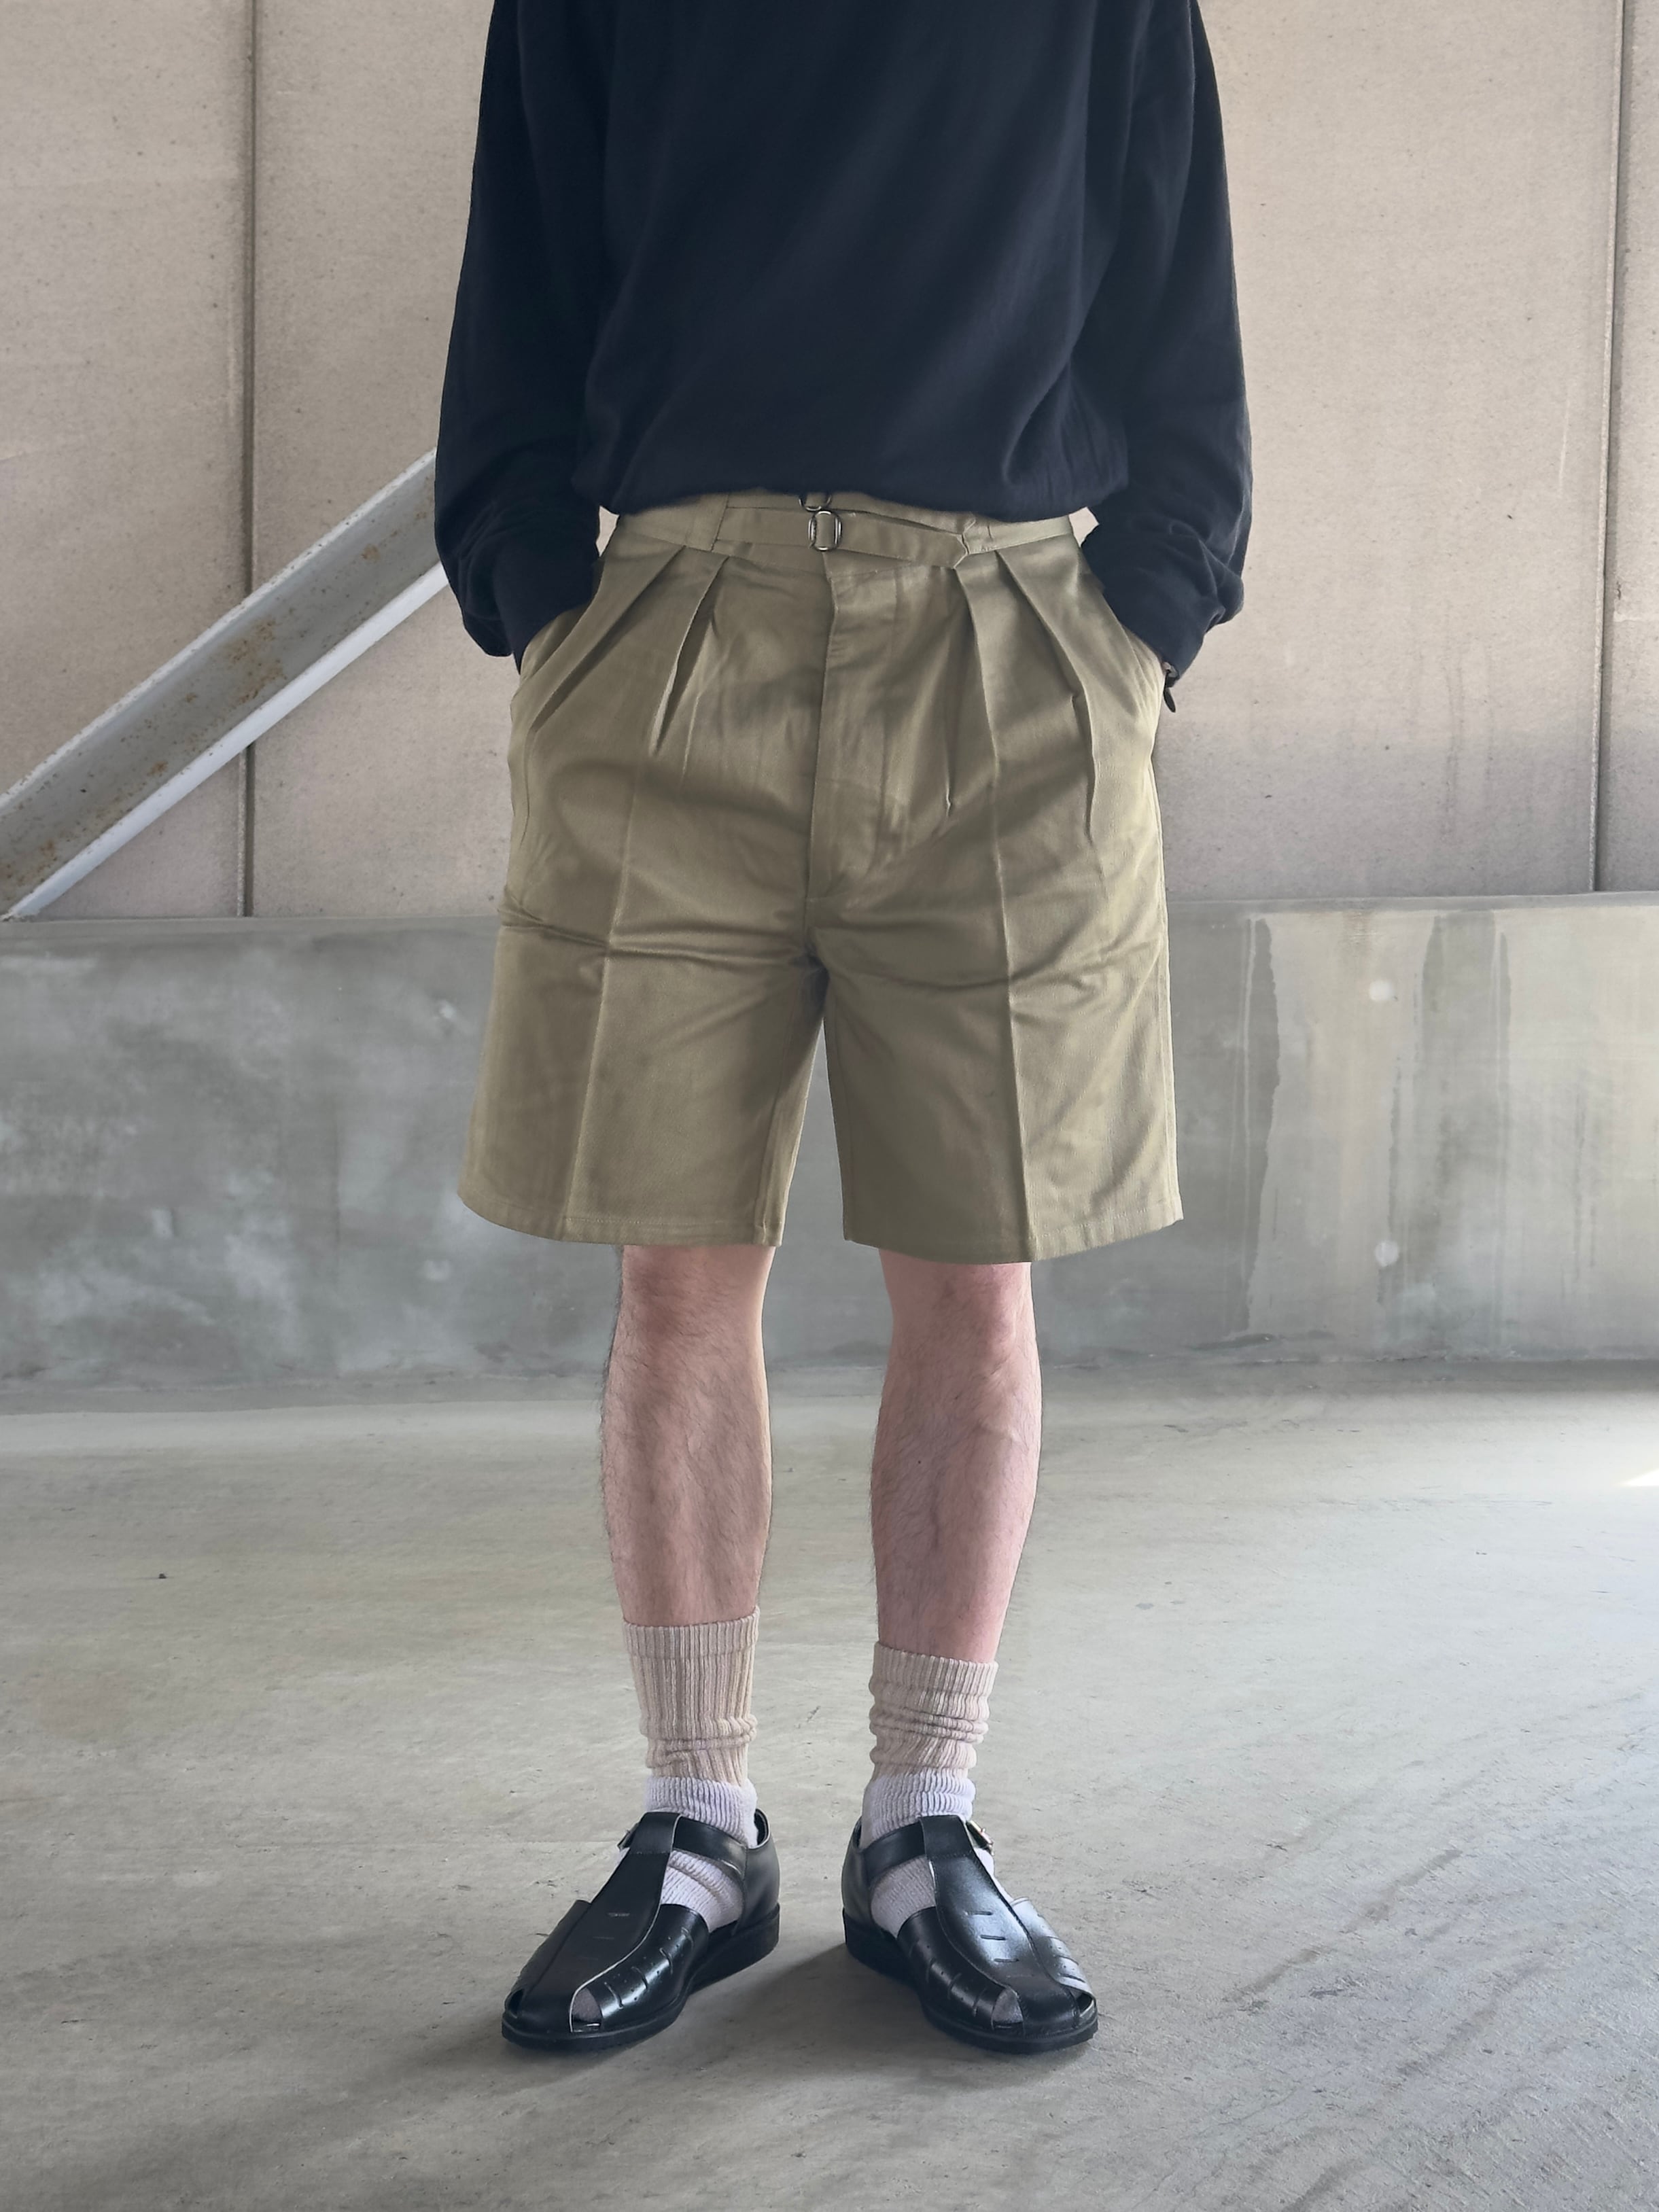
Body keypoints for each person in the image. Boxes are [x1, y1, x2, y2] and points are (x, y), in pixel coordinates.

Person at [434, 0, 1249, 2057]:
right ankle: (698, 1828)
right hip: (666, 645)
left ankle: (922, 1825)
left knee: (974, 1272)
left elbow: (1177, 298)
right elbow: (521, 282)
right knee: (675, 1271)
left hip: (1011, 648)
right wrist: (536, 591)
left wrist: (1150, 609)